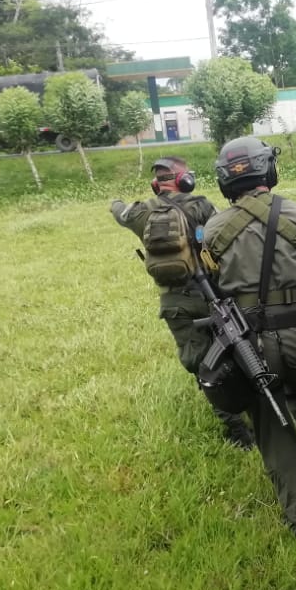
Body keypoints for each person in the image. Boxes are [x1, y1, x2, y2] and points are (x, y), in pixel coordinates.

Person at [202, 137, 296, 542]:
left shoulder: (214, 231)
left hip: (249, 344)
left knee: (272, 424)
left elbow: (210, 291)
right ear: (268, 170)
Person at [110, 156, 255, 450]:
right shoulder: (202, 206)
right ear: (184, 180)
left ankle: (236, 429)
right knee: (237, 349)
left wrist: (116, 200)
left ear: (156, 184)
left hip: (176, 302)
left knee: (201, 362)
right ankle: (252, 406)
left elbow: (118, 211)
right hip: (215, 293)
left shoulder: (140, 212)